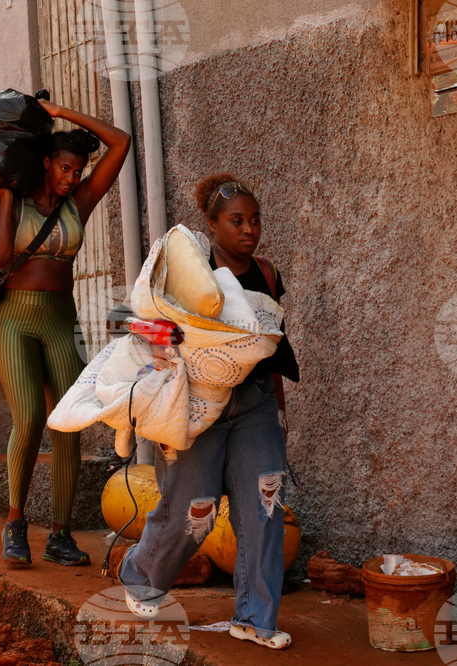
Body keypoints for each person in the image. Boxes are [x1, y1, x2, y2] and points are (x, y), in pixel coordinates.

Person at [118, 173, 300, 650]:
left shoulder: (267, 274)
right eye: (237, 221)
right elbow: (147, 328)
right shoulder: (188, 271)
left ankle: (255, 618)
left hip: (254, 405)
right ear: (212, 224)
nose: (249, 229)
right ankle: (140, 575)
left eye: (255, 220)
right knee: (193, 511)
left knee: (265, 505)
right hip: (198, 408)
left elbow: (268, 347)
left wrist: (278, 412)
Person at [0, 98, 130, 567]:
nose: (72, 178)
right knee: (28, 418)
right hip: (12, 319)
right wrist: (5, 197)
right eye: (64, 168)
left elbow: (121, 142)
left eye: (78, 171)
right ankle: (15, 525)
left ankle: (60, 535)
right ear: (45, 163)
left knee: (70, 424)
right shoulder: (13, 199)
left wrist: (62, 112)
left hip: (62, 318)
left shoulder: (78, 203)